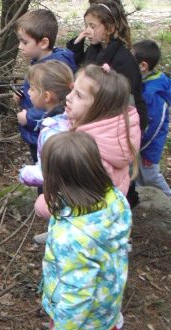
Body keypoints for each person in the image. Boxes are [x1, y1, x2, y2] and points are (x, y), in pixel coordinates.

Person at [40, 132, 131, 330]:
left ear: (57, 178)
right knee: (109, 327)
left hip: (83, 306)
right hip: (109, 290)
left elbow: (77, 291)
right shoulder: (113, 197)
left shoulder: (73, 236)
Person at [34, 64, 141, 219]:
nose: (68, 97)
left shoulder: (89, 153)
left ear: (99, 107)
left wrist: (43, 205)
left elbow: (75, 204)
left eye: (79, 95)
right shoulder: (113, 134)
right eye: (72, 90)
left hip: (85, 227)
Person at [66, 0, 148, 131]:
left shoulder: (123, 60)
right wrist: (77, 44)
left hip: (116, 125)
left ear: (110, 28)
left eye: (92, 26)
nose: (87, 31)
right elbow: (79, 68)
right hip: (96, 116)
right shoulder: (96, 49)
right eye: (86, 26)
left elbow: (128, 100)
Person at [14, 9, 76, 162]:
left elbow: (57, 108)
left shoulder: (52, 70)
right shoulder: (39, 62)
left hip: (46, 137)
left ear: (43, 43)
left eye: (24, 42)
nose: (20, 46)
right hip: (38, 134)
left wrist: (29, 118)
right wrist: (23, 95)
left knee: (45, 170)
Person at [18, 60, 74, 189]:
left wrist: (24, 174)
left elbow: (48, 174)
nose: (28, 92)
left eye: (32, 88)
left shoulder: (52, 131)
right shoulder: (70, 117)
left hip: (58, 193)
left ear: (47, 96)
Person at [132, 39, 171, 198]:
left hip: (149, 146)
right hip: (142, 144)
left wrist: (141, 146)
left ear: (143, 66)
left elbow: (155, 126)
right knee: (138, 174)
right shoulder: (148, 82)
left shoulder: (152, 94)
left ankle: (167, 198)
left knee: (150, 176)